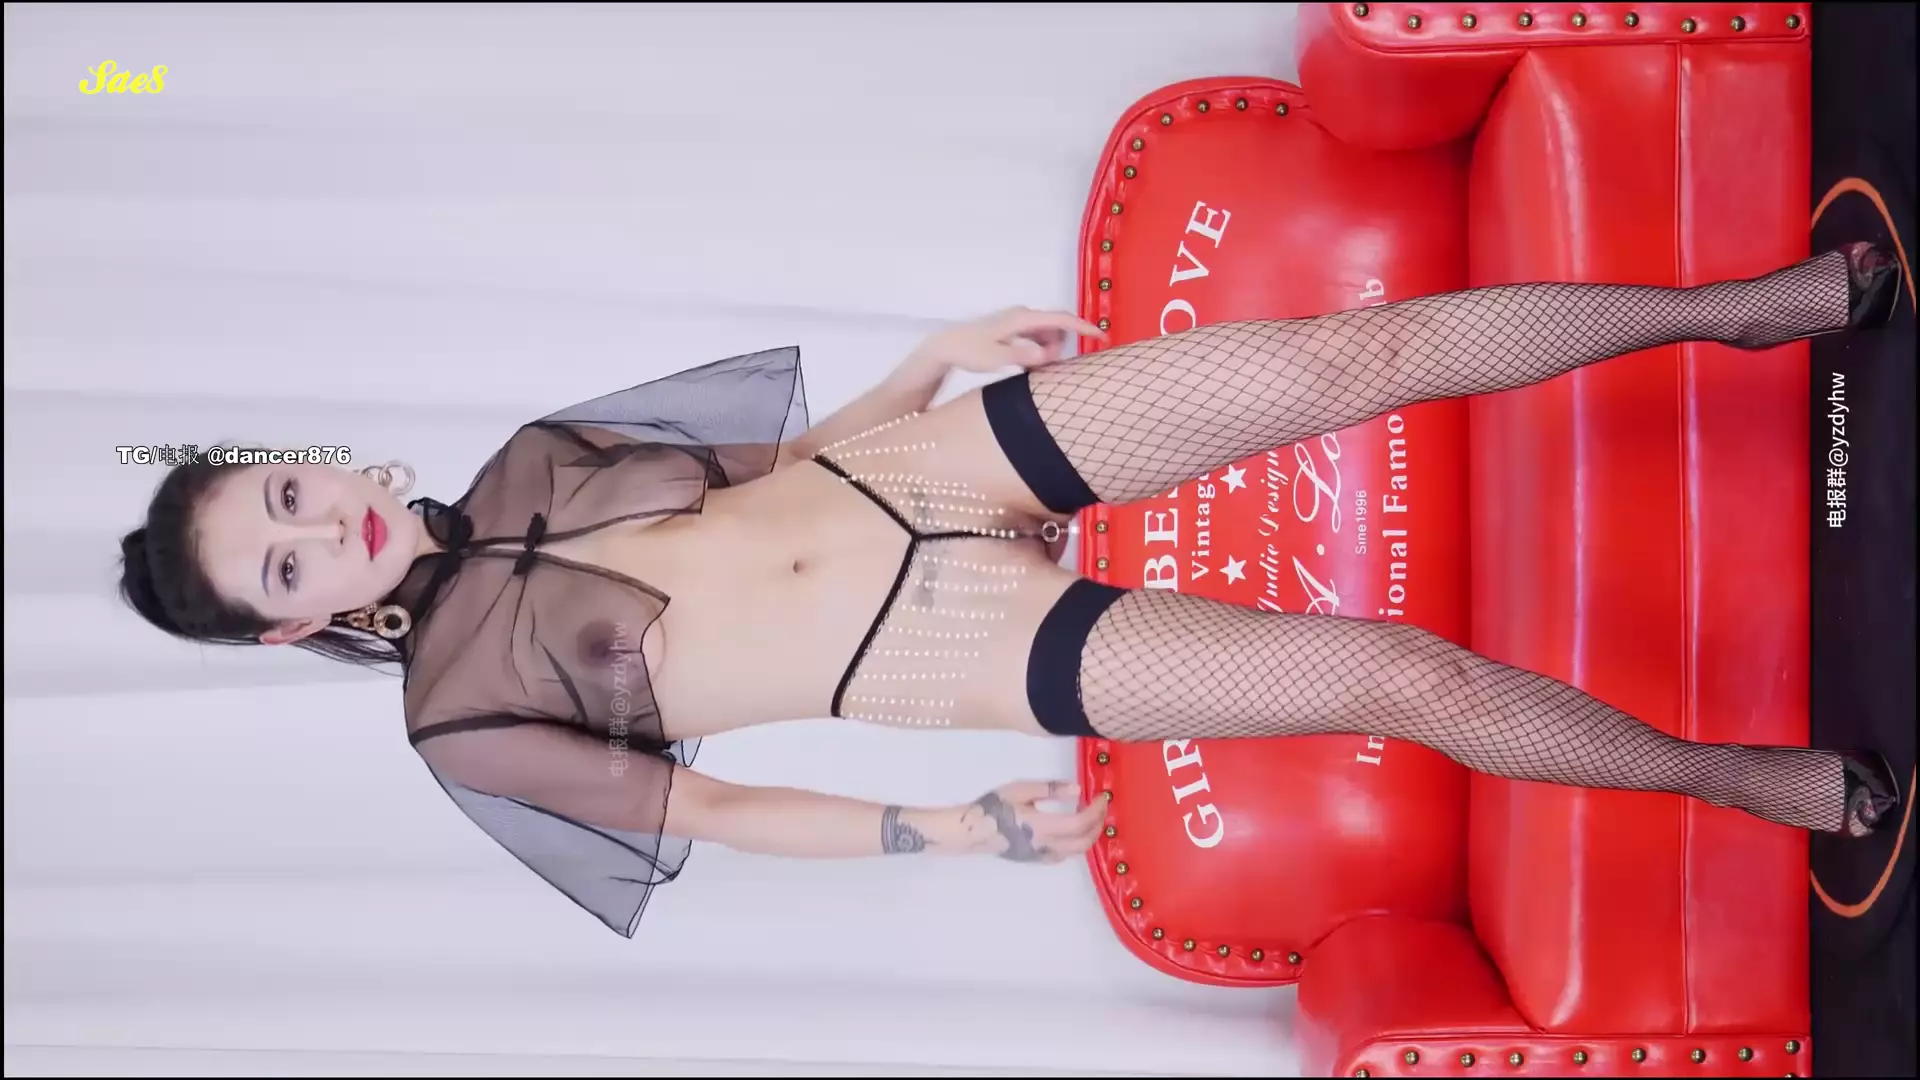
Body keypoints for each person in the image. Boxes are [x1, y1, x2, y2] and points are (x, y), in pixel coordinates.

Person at [119, 242, 1905, 938]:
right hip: (931, 645)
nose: (319, 528)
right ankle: (1751, 785)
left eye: (289, 493)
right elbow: (714, 807)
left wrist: (925, 361)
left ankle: (1755, 308)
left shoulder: (527, 457)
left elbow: (771, 470)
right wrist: (945, 834)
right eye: (282, 562)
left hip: (916, 476)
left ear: (315, 462)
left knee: (1347, 359)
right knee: (1397, 679)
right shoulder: (457, 721)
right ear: (289, 622)